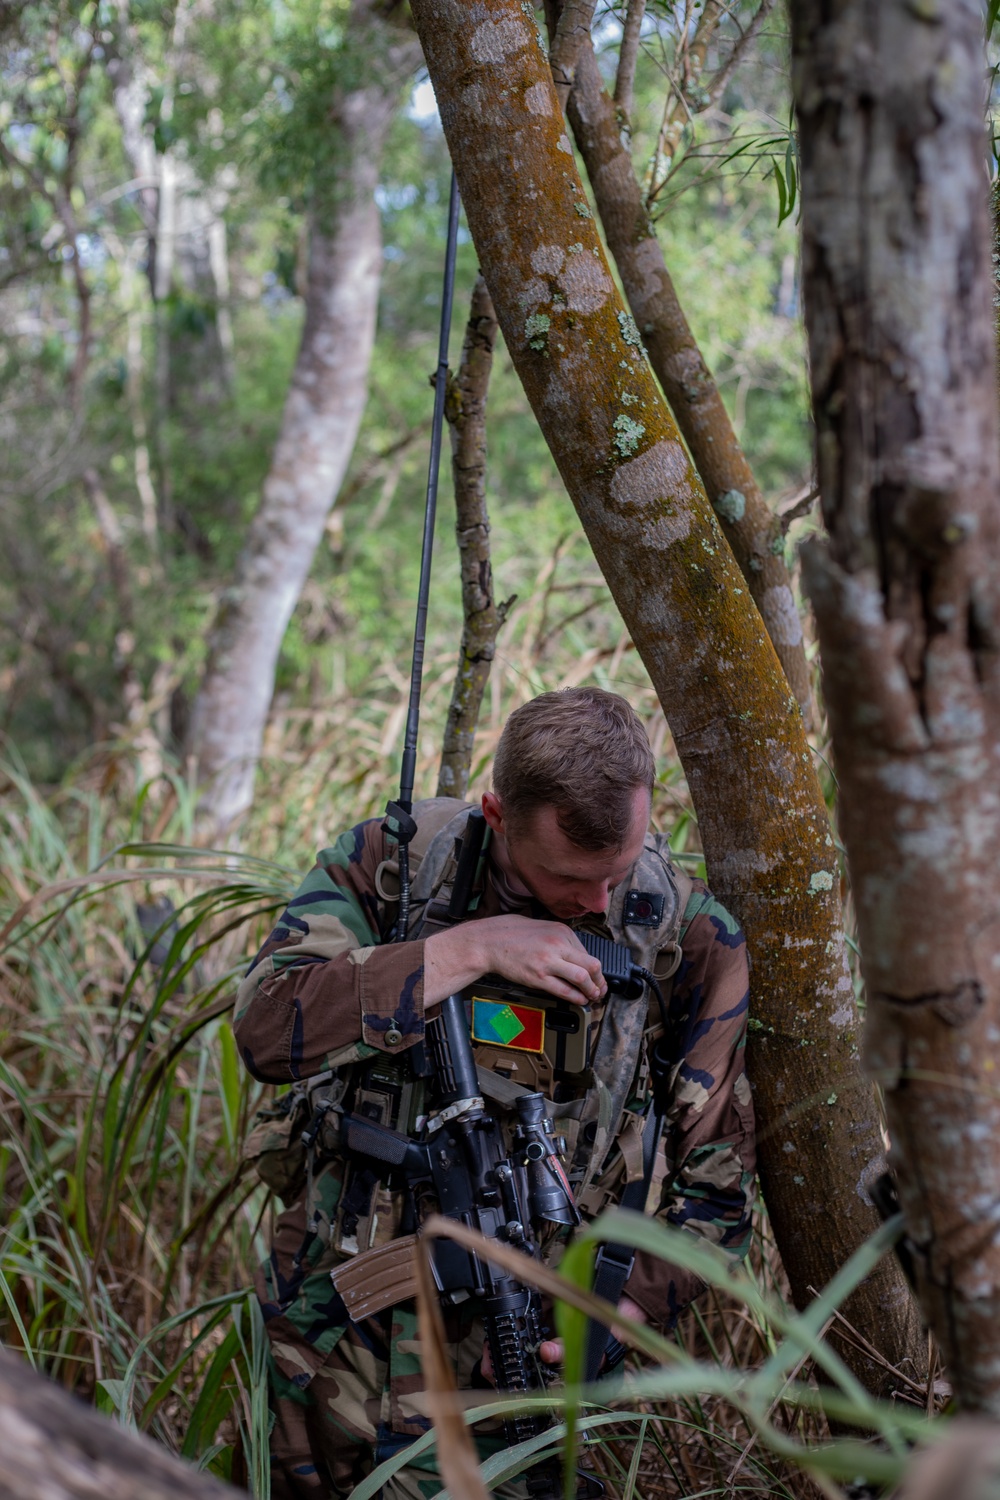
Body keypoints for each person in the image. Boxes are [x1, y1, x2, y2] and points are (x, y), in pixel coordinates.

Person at [234, 687, 755, 1499]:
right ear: (498, 814)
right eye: (568, 878)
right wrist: (467, 949)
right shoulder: (395, 862)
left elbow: (718, 1198)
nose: (594, 904)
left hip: (513, 1376)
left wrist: (611, 1316)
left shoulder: (684, 938)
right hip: (326, 1335)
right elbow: (267, 1029)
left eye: (613, 875)